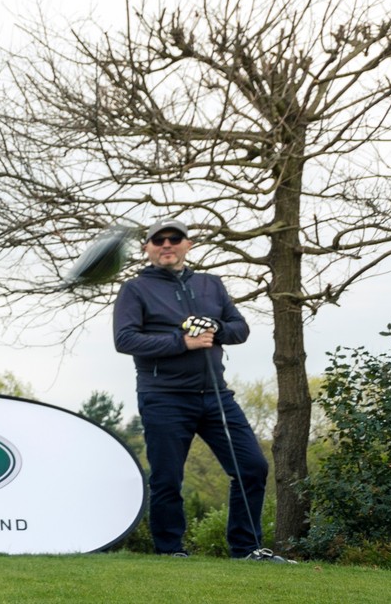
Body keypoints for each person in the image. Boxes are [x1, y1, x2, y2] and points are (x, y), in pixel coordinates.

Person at [113, 218, 289, 562]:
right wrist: (182, 342)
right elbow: (125, 339)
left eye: (174, 238)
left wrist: (216, 327)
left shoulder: (211, 284)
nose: (167, 244)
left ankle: (247, 550)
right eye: (158, 240)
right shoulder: (135, 289)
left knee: (252, 467)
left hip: (216, 395)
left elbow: (240, 329)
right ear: (147, 248)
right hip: (163, 397)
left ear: (188, 244)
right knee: (167, 478)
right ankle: (170, 551)